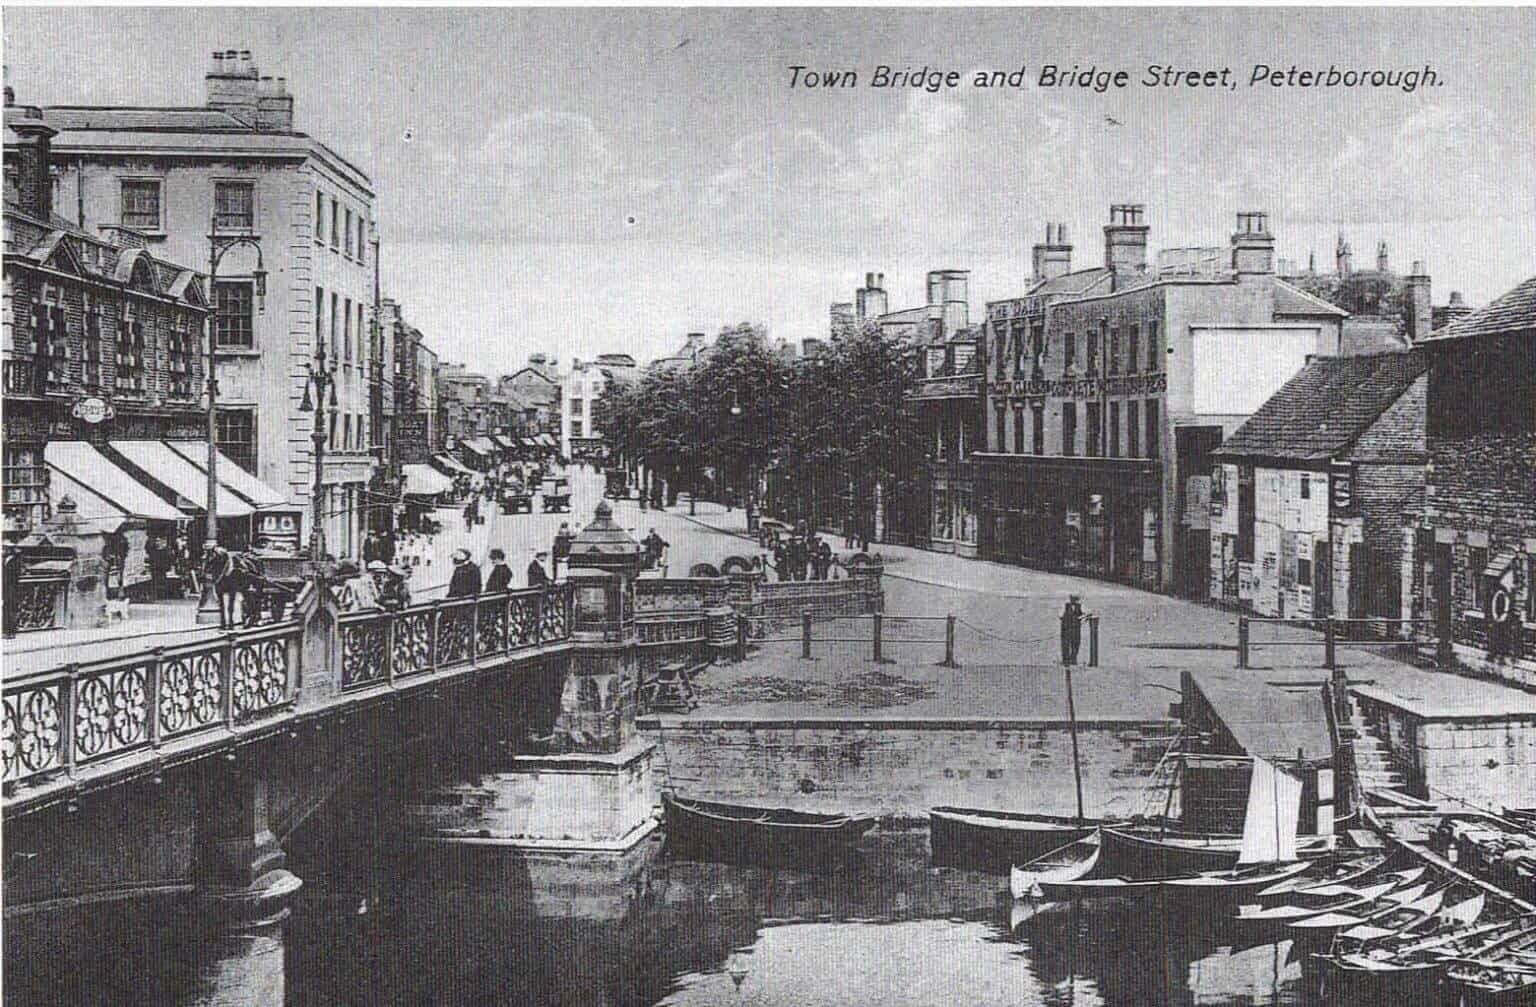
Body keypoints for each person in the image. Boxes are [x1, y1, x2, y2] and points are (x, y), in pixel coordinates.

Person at [1060, 595, 1085, 666]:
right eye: (1072, 599)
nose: (1073, 601)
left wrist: (1081, 618)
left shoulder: (1080, 606)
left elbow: (1085, 614)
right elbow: (1060, 615)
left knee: (1076, 644)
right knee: (1065, 644)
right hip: (1066, 628)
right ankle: (1066, 660)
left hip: (1076, 628)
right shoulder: (1065, 606)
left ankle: (1073, 659)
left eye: (1074, 599)